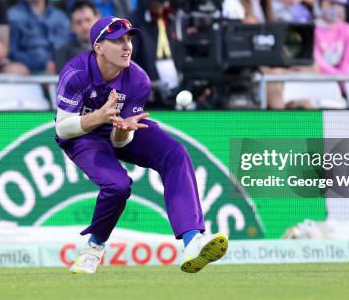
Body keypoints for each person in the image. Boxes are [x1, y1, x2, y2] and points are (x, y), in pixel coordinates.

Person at [54, 15, 229, 274]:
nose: (127, 46)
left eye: (128, 39)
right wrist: (98, 117)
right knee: (118, 185)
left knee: (175, 154)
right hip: (83, 135)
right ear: (98, 47)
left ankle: (192, 241)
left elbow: (120, 140)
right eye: (117, 41)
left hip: (118, 129)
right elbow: (63, 128)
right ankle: (93, 248)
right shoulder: (76, 73)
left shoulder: (138, 80)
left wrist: (122, 131)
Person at [8, 0, 71, 74]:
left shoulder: (60, 17)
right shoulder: (12, 16)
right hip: (27, 72)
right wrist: (41, 63)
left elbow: (66, 47)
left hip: (57, 71)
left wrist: (54, 63)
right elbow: (11, 51)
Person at [54, 0, 99, 72]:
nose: (84, 26)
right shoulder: (63, 53)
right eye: (78, 22)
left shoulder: (112, 46)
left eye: (88, 20)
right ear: (72, 26)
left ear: (97, 19)